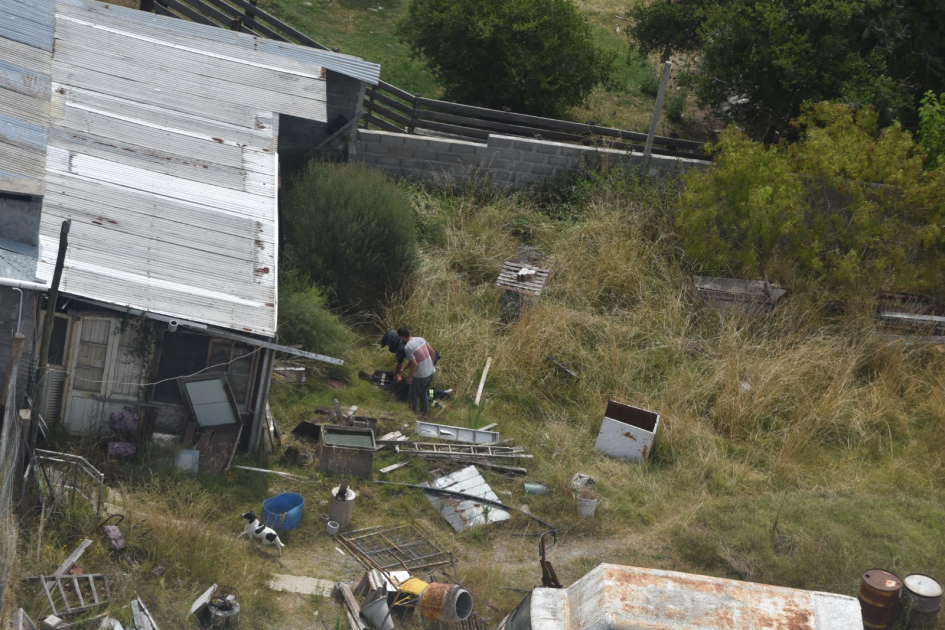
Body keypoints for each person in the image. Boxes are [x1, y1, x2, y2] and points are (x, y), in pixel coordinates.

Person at [398, 326, 436, 417]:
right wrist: (404, 369)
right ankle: (424, 414)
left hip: (421, 376)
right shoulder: (421, 339)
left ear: (401, 337)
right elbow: (433, 353)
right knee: (423, 392)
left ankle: (411, 415)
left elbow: (414, 364)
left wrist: (409, 378)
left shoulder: (408, 347)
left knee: (412, 395)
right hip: (430, 373)